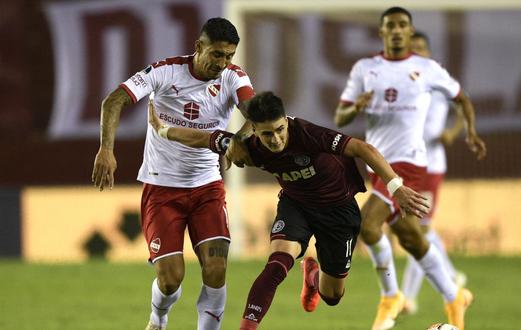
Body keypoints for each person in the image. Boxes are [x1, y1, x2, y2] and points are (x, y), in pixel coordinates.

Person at [147, 91, 429, 330]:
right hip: (296, 205)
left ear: (286, 121)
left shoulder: (307, 134)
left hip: (339, 211)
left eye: (280, 129)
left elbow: (363, 149)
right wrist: (162, 129)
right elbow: (203, 138)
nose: (276, 139)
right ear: (254, 130)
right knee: (276, 266)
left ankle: (312, 275)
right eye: (267, 133)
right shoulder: (247, 148)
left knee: (332, 295)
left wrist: (397, 188)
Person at [91, 17, 255, 330]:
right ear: (199, 47)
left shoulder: (234, 78)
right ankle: (158, 319)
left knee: (217, 268)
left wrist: (239, 142)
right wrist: (106, 149)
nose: (223, 63)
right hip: (162, 189)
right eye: (217, 54)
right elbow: (113, 101)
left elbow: (256, 116)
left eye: (229, 56)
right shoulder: (165, 71)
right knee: (170, 279)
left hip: (207, 187)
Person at [334, 7, 486, 330]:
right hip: (378, 162)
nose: (397, 30)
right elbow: (339, 117)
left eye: (403, 25)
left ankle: (391, 296)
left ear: (410, 30)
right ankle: (453, 294)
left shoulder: (426, 68)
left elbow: (462, 99)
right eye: (391, 26)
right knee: (412, 238)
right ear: (381, 32)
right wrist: (354, 107)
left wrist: (470, 131)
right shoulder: (366, 68)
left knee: (368, 225)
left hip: (411, 162)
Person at [400, 31, 468, 315]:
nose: (416, 53)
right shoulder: (399, 80)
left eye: (420, 48)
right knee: (419, 226)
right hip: (406, 162)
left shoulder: (438, 78)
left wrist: (452, 132)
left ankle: (407, 298)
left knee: (419, 229)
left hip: (431, 165)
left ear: (427, 51)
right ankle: (452, 277)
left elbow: (464, 105)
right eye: (411, 49)